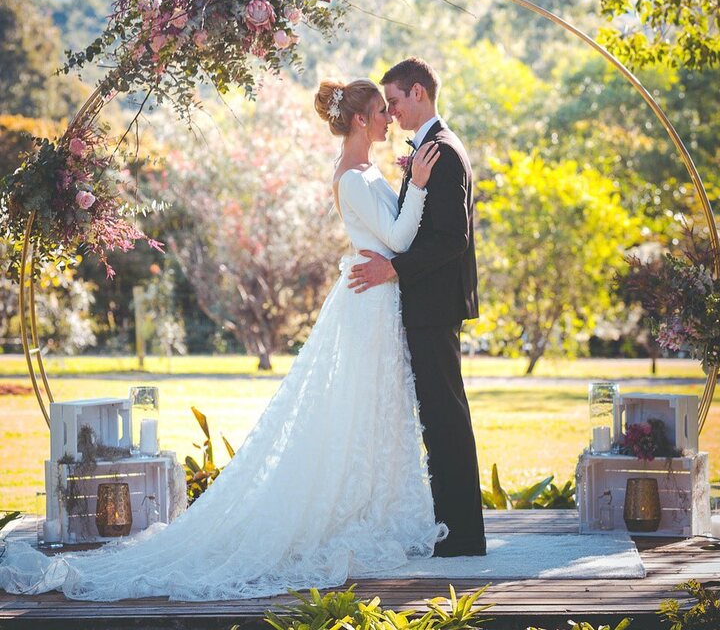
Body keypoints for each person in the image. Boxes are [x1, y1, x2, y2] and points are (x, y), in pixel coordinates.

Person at [0, 78, 447, 602]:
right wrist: (416, 186)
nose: (388, 117)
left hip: (377, 304)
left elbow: (390, 235)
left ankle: (373, 507)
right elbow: (395, 240)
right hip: (367, 307)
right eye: (379, 110)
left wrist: (402, 190)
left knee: (374, 414)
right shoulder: (350, 177)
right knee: (354, 410)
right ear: (358, 120)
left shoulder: (368, 171)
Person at [348, 58, 486, 557]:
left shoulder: (442, 152)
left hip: (433, 305)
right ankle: (454, 530)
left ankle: (463, 536)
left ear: (420, 93)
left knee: (445, 418)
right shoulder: (432, 149)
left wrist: (395, 270)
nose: (392, 112)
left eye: (397, 101)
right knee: (440, 417)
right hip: (428, 306)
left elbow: (452, 239)